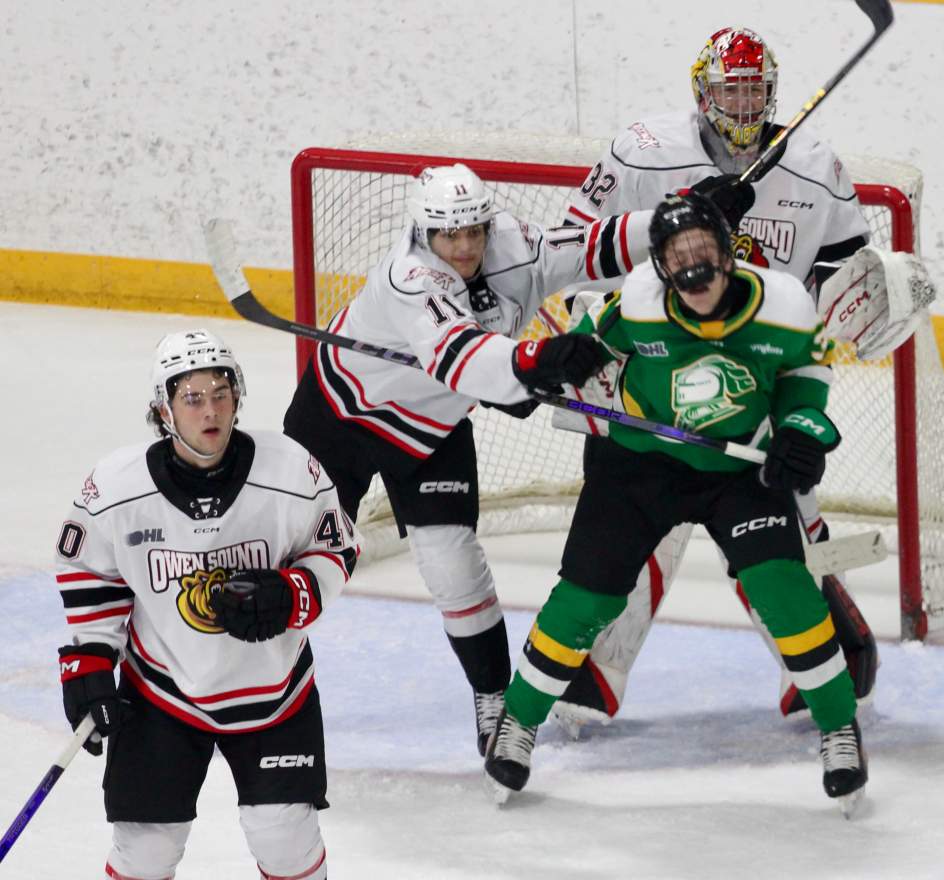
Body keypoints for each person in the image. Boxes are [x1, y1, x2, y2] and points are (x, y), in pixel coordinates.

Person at [485, 193, 868, 815]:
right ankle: (518, 721)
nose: (692, 269)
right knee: (589, 595)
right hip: (638, 465)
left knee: (783, 590)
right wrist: (546, 370)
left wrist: (802, 432)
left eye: (703, 252)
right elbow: (581, 351)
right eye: (676, 256)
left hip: (738, 471)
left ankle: (839, 729)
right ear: (661, 266)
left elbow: (809, 377)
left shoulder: (789, 306)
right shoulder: (636, 303)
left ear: (728, 255)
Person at [552, 25, 878, 734]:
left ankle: (820, 663)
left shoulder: (816, 166)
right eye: (730, 87)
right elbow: (574, 248)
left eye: (754, 87)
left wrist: (853, 312)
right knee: (635, 529)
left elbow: (848, 273)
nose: (743, 100)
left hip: (755, 386)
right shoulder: (641, 151)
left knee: (776, 535)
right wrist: (679, 224)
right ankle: (590, 673)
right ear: (702, 91)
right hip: (654, 377)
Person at [282, 163, 656, 757]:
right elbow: (459, 357)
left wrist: (671, 223)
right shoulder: (408, 277)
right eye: (447, 236)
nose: (463, 247)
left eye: (473, 232)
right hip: (338, 416)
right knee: (301, 554)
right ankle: (251, 677)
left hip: (431, 429)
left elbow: (590, 246)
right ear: (423, 233)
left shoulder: (514, 244)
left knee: (454, 565)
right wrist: (533, 364)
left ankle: (492, 698)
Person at [54, 328, 359, 880]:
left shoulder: (290, 469)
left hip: (276, 693)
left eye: (221, 393)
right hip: (162, 692)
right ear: (163, 409)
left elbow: (336, 547)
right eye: (192, 398)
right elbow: (89, 574)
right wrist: (93, 659)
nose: (210, 410)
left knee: (285, 840)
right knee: (144, 850)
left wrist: (293, 594)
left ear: (238, 398)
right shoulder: (116, 488)